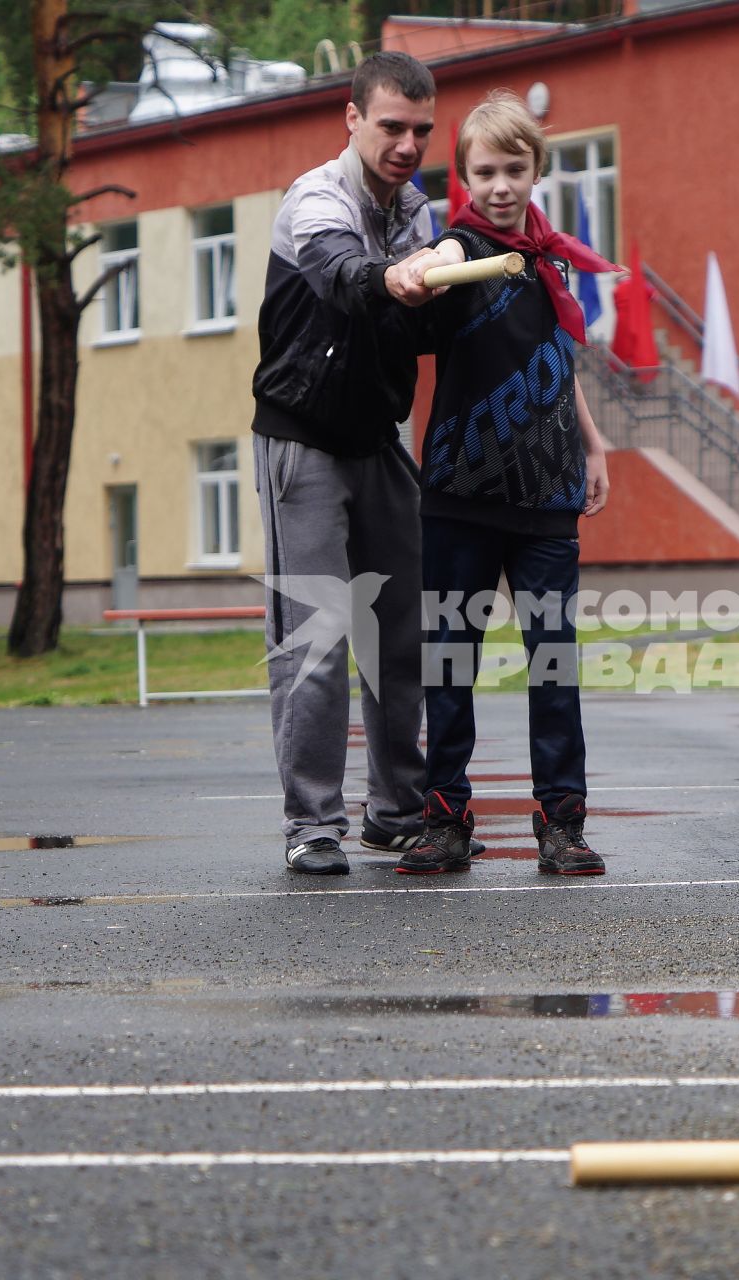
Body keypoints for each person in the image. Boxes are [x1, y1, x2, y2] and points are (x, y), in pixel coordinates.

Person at [392, 89, 617, 878]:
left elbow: (562, 359)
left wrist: (593, 445)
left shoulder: (552, 260)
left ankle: (562, 824)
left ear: (535, 170)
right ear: (463, 176)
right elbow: (443, 260)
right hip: (460, 494)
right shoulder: (462, 250)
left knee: (553, 666)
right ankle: (447, 821)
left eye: (513, 169)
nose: (499, 185)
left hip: (549, 495)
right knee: (450, 663)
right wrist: (424, 267)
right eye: (484, 171)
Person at [249, 52, 450, 876]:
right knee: (320, 636)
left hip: (378, 440)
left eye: (421, 131)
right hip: (301, 440)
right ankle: (313, 821)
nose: (407, 144)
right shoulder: (316, 198)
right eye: (392, 126)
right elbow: (340, 275)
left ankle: (398, 809)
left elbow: (430, 327)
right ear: (353, 117)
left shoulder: (417, 213)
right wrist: (397, 276)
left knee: (401, 635)